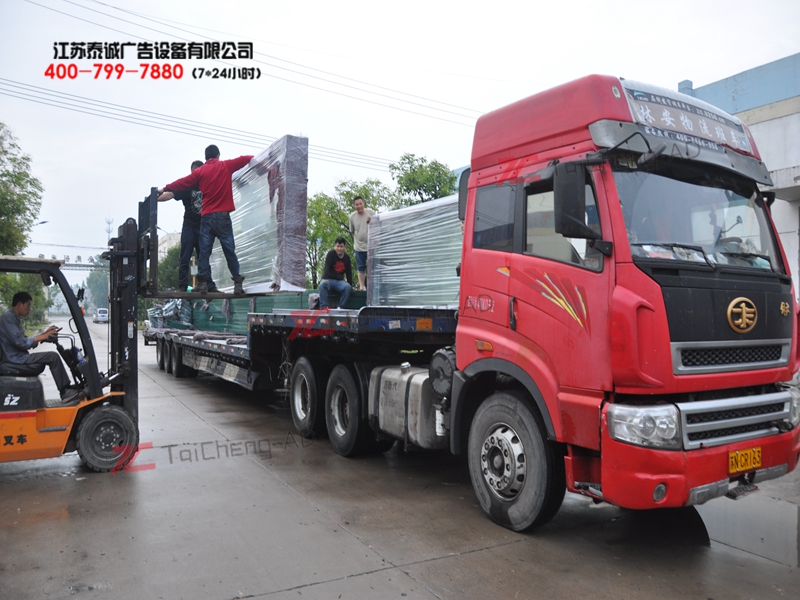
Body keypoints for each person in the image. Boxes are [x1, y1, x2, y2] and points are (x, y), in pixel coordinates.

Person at [159, 145, 254, 295]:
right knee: (229, 250)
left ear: (206, 158)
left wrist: (164, 188)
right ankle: (237, 283)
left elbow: (182, 182)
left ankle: (203, 284)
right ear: (218, 155)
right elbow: (245, 159)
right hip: (223, 217)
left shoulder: (200, 172)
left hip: (207, 219)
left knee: (204, 252)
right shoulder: (226, 165)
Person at [0, 292, 77, 402]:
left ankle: (66, 388)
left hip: (19, 357)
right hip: (15, 359)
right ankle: (65, 392)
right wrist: (44, 336)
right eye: (28, 305)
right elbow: (21, 342)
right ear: (19, 304)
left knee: (51, 356)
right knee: (52, 357)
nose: (29, 309)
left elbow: (26, 341)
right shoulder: (8, 318)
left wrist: (44, 334)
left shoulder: (13, 318)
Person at [158, 160, 206, 292]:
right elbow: (171, 194)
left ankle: (206, 283)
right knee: (185, 256)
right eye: (194, 172)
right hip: (189, 226)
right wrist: (155, 199)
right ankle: (183, 285)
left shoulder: (207, 184)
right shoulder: (187, 186)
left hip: (203, 226)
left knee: (204, 256)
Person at [319, 237, 353, 309]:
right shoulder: (331, 254)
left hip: (339, 281)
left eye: (341, 246)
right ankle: (324, 306)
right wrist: (325, 278)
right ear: (335, 246)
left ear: (344, 247)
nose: (339, 248)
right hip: (329, 279)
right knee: (322, 284)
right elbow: (327, 267)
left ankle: (340, 307)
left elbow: (349, 273)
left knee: (347, 287)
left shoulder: (347, 258)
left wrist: (351, 285)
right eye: (338, 246)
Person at [348, 196, 374, 291]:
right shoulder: (352, 216)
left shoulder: (370, 212)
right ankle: (362, 286)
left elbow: (377, 226)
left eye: (360, 204)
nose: (359, 206)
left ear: (363, 203)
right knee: (361, 267)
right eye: (357, 204)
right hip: (359, 247)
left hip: (370, 246)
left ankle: (372, 285)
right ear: (354, 206)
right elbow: (352, 231)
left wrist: (370, 222)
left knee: (372, 266)